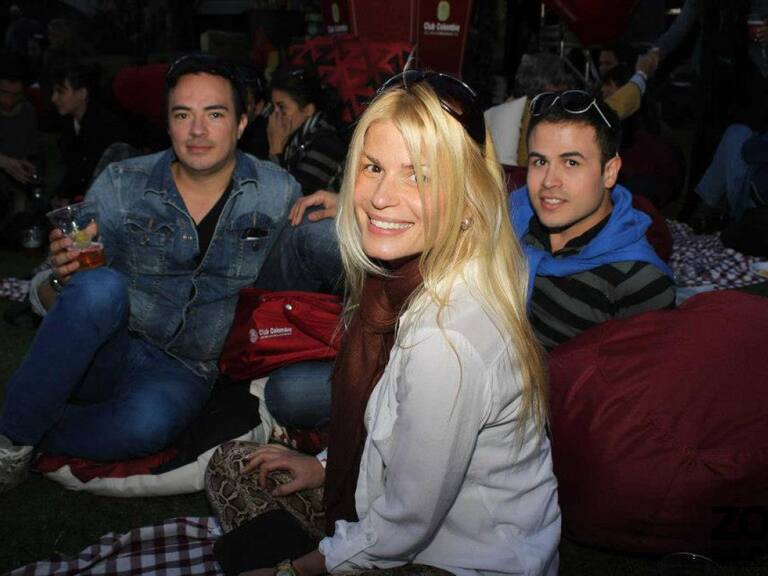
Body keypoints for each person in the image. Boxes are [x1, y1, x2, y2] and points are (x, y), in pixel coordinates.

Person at [205, 70, 561, 576]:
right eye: (373, 167)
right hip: (394, 519)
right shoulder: (403, 279)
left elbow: (402, 528)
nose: (380, 197)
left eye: (419, 175)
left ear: (467, 199)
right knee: (233, 466)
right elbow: (390, 421)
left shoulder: (447, 340)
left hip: (462, 560)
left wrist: (293, 572)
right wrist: (324, 467)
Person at [0, 53, 302, 493]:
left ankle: (32, 427)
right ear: (168, 124)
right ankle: (11, 441)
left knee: (146, 427)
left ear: (240, 123)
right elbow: (43, 289)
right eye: (183, 115)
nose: (197, 130)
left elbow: (303, 263)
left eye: (214, 114)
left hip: (186, 368)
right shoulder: (123, 183)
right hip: (112, 344)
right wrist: (62, 278)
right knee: (100, 285)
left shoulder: (277, 192)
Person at [508, 90, 676, 350]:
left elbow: (639, 374)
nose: (549, 181)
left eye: (571, 163)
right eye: (540, 161)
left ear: (609, 172)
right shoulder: (513, 219)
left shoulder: (638, 282)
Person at [267, 66, 347, 195]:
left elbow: (294, 197)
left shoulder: (325, 143)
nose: (274, 115)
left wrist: (275, 148)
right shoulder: (295, 139)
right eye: (273, 107)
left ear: (308, 110)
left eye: (282, 107)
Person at [50, 61, 121, 203]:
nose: (54, 98)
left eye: (61, 92)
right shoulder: (69, 125)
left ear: (82, 93)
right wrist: (60, 195)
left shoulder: (106, 127)